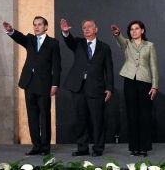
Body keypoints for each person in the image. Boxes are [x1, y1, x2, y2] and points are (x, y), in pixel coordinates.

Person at [3, 16, 61, 156]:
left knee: (44, 116)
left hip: (45, 84)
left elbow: (57, 66)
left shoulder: (53, 43)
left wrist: (55, 84)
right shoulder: (29, 39)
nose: (36, 27)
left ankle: (45, 147)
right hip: (29, 83)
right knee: (32, 116)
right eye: (34, 24)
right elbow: (19, 37)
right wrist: (11, 31)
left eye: (40, 24)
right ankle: (36, 146)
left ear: (46, 27)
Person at [60, 19, 114, 157]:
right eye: (84, 27)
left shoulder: (104, 47)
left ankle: (98, 148)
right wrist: (66, 32)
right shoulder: (78, 43)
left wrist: (109, 88)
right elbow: (69, 41)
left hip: (96, 88)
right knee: (81, 119)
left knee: (97, 120)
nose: (86, 29)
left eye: (89, 27)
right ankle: (82, 148)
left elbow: (109, 69)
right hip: (78, 87)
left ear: (96, 29)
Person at [111, 21, 158, 157]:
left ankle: (144, 148)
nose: (134, 31)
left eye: (137, 29)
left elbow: (154, 66)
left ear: (142, 30)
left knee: (144, 116)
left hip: (145, 82)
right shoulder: (127, 44)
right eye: (131, 29)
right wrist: (117, 34)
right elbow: (120, 41)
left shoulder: (150, 46)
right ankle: (134, 148)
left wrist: (154, 86)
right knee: (132, 115)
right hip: (129, 81)